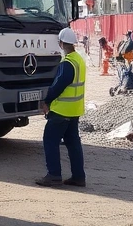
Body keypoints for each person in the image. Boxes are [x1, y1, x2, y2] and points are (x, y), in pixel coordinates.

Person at [36, 27, 87, 188]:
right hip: (74, 110)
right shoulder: (79, 60)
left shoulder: (67, 64)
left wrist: (46, 101)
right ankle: (79, 177)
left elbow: (58, 86)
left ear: (62, 43)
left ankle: (54, 175)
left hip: (61, 111)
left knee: (50, 140)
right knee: (73, 143)